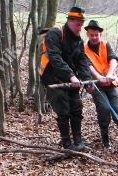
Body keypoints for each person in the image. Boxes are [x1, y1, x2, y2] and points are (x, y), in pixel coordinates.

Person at [39, 6, 93, 152]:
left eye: (81, 25)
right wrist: (71, 75)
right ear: (69, 21)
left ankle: (78, 142)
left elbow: (82, 60)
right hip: (53, 79)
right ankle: (67, 145)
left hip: (71, 79)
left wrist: (87, 80)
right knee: (63, 111)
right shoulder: (54, 34)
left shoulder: (78, 40)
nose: (80, 28)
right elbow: (55, 58)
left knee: (76, 109)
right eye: (78, 25)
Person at [83, 20, 118, 153]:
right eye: (91, 35)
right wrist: (99, 77)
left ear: (100, 34)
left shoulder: (106, 45)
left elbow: (113, 58)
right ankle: (106, 140)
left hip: (111, 83)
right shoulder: (83, 48)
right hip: (97, 85)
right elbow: (88, 65)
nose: (94, 37)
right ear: (88, 35)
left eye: (96, 34)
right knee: (104, 109)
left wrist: (109, 73)